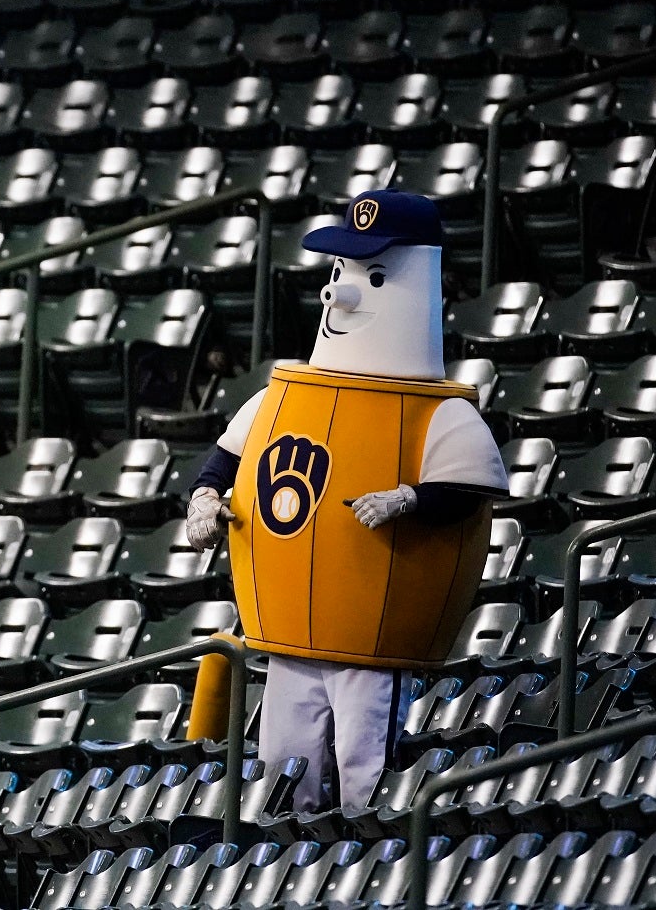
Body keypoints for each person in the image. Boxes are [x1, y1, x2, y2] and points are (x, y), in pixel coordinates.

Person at [184, 189, 507, 811]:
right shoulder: (283, 395)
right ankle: (284, 859)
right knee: (282, 758)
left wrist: (410, 498)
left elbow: (468, 486)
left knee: (367, 764)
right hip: (288, 626)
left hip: (374, 630)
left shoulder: (438, 413)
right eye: (340, 272)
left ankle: (375, 857)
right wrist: (204, 499)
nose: (340, 293)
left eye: (374, 276)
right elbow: (225, 458)